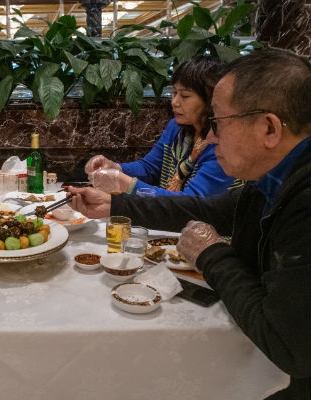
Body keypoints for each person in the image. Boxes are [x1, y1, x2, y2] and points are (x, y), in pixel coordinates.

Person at [69, 49, 310, 400]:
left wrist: (210, 254)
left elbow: (289, 346)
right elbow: (208, 209)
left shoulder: (304, 202)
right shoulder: (274, 177)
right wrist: (116, 205)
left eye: (220, 122)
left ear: (269, 128)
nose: (210, 138)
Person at [84, 56, 243, 196]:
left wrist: (126, 184)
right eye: (174, 93)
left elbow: (192, 202)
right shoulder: (177, 128)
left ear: (210, 100)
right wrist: (114, 168)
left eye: (185, 96)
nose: (175, 102)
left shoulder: (223, 144)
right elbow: (150, 168)